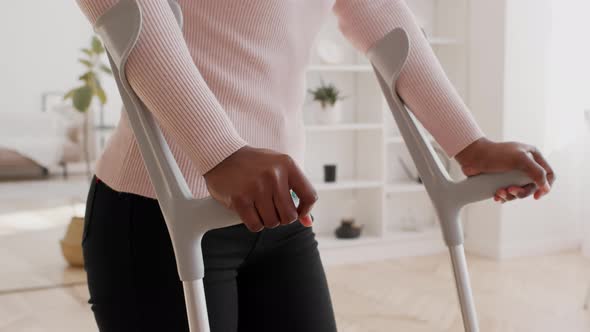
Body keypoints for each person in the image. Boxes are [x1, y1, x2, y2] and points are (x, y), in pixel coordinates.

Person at [76, 0, 556, 331]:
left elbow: (381, 14)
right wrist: (219, 152)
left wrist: (468, 144)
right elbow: (132, 14)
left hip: (277, 216)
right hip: (160, 213)